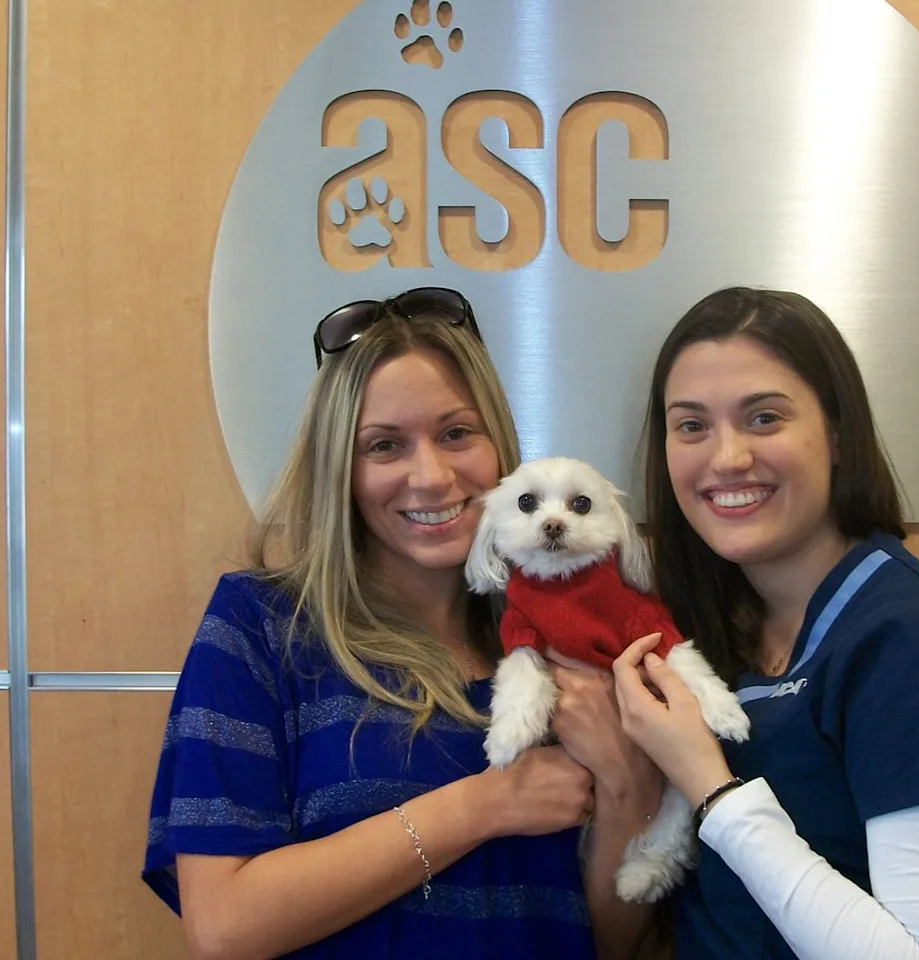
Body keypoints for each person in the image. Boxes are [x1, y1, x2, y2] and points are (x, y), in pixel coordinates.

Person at [142, 287, 662, 960]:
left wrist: (625, 787)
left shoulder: (569, 647)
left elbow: (609, 942)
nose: (432, 475)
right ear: (343, 471)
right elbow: (224, 927)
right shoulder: (261, 628)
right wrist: (482, 807)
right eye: (384, 445)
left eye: (456, 433)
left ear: (498, 446)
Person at [611, 286, 919, 959]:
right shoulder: (715, 630)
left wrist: (711, 788)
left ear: (837, 433)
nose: (726, 458)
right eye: (692, 426)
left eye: (764, 418)